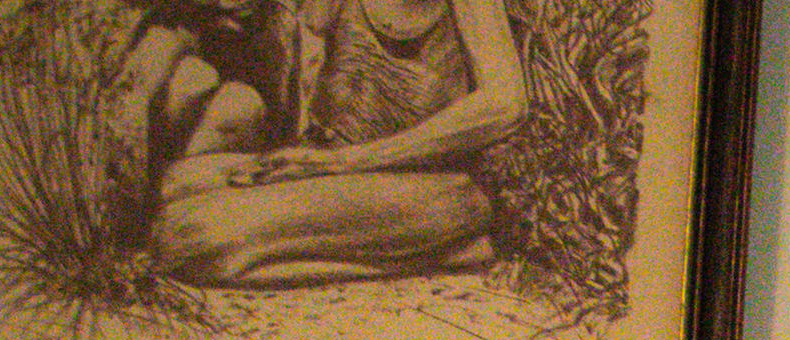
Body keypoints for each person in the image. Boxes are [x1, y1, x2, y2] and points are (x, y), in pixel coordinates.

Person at [146, 0, 528, 288]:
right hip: (335, 171)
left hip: (434, 183)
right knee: (175, 183)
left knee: (187, 235)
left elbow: (505, 102)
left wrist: (346, 163)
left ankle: (437, 252)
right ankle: (416, 251)